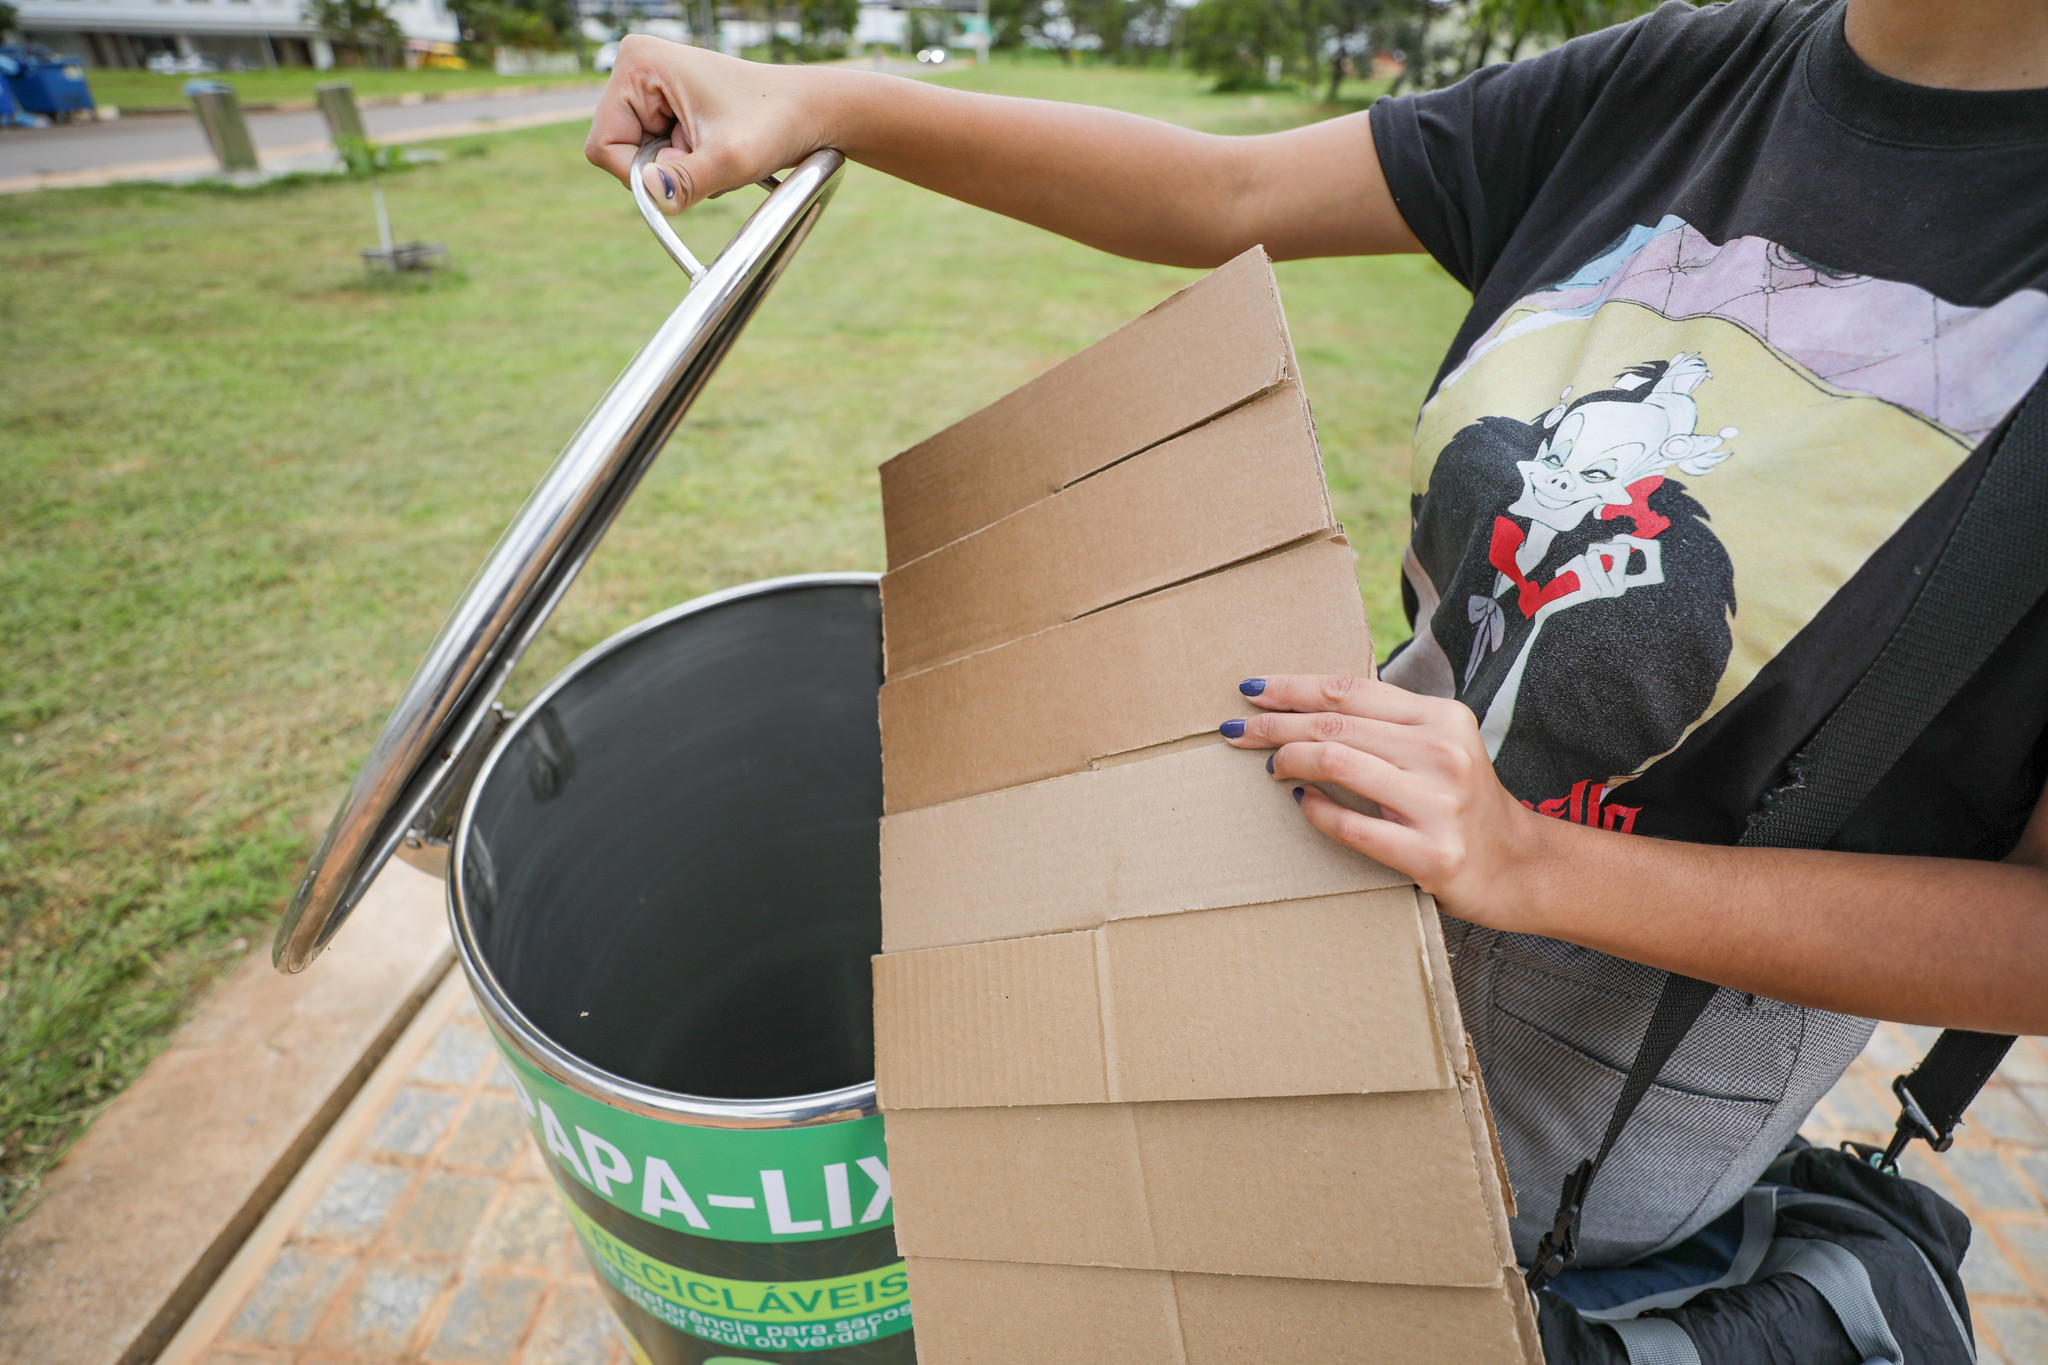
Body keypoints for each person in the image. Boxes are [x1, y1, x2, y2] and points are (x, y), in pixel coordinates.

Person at [585, 0, 2048, 1292]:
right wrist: (831, 98)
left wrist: (1536, 863)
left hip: (1543, 1139)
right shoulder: (1691, 73)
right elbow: (1229, 184)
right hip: (1301, 927)